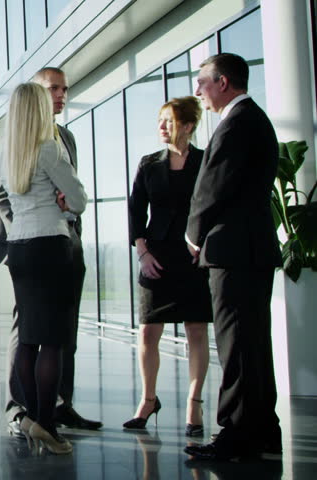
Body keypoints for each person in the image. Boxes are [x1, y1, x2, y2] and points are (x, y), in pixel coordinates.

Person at [0, 67, 101, 439]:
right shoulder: (44, 144)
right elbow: (75, 198)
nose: (61, 94)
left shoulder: (50, 138)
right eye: (53, 88)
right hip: (47, 243)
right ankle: (27, 412)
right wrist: (55, 208)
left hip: (47, 245)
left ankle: (55, 406)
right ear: (35, 95)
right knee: (40, 335)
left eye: (65, 88)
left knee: (58, 333)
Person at [184, 53, 282, 461]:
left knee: (236, 344)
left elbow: (212, 189)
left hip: (234, 251)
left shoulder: (237, 124)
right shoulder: (252, 120)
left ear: (223, 82)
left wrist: (192, 236)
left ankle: (238, 434)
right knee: (253, 343)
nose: (198, 91)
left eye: (202, 82)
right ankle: (262, 430)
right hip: (251, 249)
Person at [124, 96, 211, 436]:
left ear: (188, 126)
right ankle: (148, 400)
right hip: (156, 255)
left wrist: (203, 244)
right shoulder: (148, 164)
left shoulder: (206, 162)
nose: (162, 126)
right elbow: (135, 210)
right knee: (148, 331)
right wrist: (142, 252)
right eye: (160, 120)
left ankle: (195, 404)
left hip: (193, 254)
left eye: (169, 121)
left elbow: (213, 204)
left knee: (197, 330)